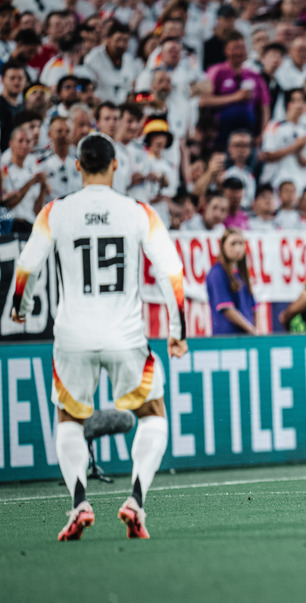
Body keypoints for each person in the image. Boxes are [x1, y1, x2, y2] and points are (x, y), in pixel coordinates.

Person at [11, 132, 187, 541]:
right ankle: (136, 501)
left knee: (68, 419)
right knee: (153, 415)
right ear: (115, 165)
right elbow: (172, 273)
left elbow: (26, 268)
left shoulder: (55, 211)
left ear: (77, 166)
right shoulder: (139, 211)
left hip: (72, 334)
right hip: (124, 334)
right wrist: (177, 333)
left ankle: (78, 503)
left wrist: (22, 309)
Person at [206, 228, 257, 335]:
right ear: (223, 247)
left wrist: (253, 331)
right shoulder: (217, 272)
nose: (238, 248)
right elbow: (227, 309)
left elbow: (253, 309)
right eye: (233, 244)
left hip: (245, 337)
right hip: (227, 338)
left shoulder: (242, 274)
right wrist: (251, 330)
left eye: (241, 243)